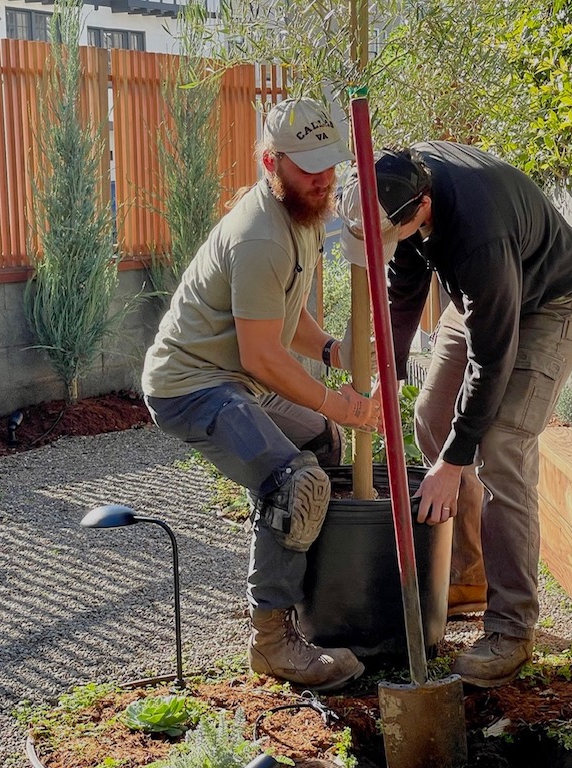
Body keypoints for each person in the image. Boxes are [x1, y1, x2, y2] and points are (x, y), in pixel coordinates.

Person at [141, 97, 381, 692]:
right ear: (270, 161)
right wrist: (340, 402)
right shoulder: (261, 236)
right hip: (192, 386)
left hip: (237, 379)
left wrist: (328, 350)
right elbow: (262, 354)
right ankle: (272, 642)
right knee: (292, 482)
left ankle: (300, 596)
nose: (322, 177)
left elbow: (280, 313)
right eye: (307, 167)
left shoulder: (301, 215)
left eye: (328, 164)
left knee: (320, 444)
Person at [339, 143, 572, 688]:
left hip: (551, 300)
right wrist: (385, 375)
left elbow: (492, 362)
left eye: (392, 233)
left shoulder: (479, 235)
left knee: (502, 443)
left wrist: (454, 464)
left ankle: (511, 627)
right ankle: (470, 574)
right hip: (487, 293)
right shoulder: (393, 183)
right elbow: (404, 290)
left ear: (424, 207)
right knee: (433, 416)